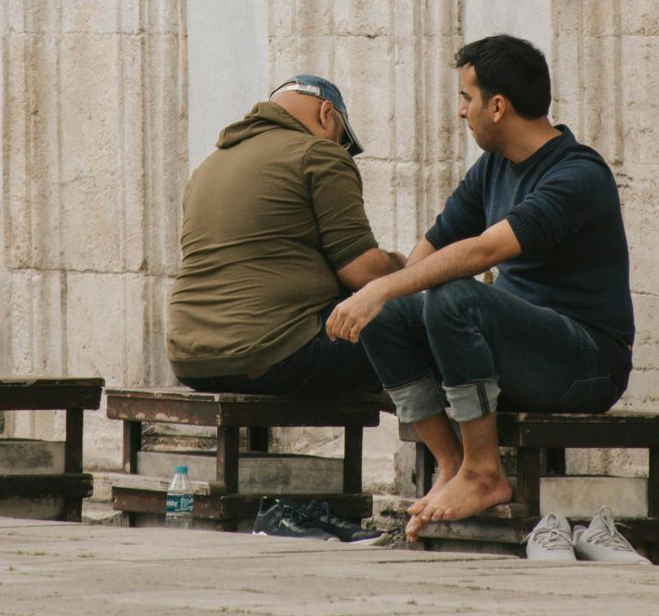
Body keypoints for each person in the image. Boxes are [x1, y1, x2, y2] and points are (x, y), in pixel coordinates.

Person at [326, 36, 633, 536]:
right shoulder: (492, 167)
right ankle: (452, 464)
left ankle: (484, 473)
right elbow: (434, 247)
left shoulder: (578, 174)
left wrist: (380, 289)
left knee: (452, 298)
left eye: (466, 98)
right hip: (520, 352)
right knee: (389, 309)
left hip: (588, 363)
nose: (460, 111)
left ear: (497, 106)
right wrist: (378, 298)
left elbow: (483, 252)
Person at [167, 75, 401, 398]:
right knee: (420, 326)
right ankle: (455, 448)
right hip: (269, 355)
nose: (340, 148)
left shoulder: (207, 167)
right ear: (326, 114)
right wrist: (405, 267)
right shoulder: (320, 153)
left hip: (190, 360)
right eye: (342, 139)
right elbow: (363, 273)